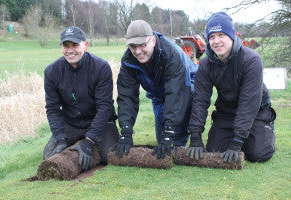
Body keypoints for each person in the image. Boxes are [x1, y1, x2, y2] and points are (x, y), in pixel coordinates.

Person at [186, 12, 276, 163]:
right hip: (227, 112)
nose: (216, 41)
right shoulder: (206, 64)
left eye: (221, 35)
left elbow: (249, 102)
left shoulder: (252, 60)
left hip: (257, 112)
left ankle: (262, 131)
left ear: (232, 36)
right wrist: (195, 136)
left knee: (258, 154)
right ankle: (241, 134)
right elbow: (200, 100)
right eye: (212, 37)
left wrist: (237, 141)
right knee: (214, 151)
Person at [111, 20, 198, 159]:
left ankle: (180, 144)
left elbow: (176, 93)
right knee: (160, 138)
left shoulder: (171, 54)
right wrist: (126, 131)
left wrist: (169, 131)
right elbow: (127, 95)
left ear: (152, 40)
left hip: (186, 86)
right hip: (158, 93)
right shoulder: (128, 60)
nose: (138, 51)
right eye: (133, 46)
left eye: (142, 45)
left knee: (175, 137)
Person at [43, 26, 119, 171]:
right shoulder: (51, 71)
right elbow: (52, 109)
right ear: (61, 47)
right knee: (49, 156)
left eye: (75, 45)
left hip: (100, 122)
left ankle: (89, 141)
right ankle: (75, 142)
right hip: (72, 123)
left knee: (109, 155)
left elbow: (104, 107)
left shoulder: (101, 67)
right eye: (66, 46)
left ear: (85, 45)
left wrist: (89, 141)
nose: (70, 50)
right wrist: (60, 139)